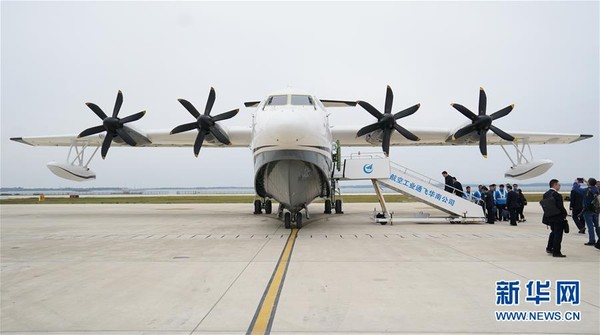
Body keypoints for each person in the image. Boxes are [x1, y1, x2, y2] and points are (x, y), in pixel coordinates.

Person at [542, 179, 568, 257]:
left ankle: (549, 248)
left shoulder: (546, 194)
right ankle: (556, 252)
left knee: (553, 232)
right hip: (558, 217)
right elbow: (560, 207)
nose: (559, 187)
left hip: (550, 217)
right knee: (558, 234)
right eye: (558, 185)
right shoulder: (557, 195)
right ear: (554, 185)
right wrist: (564, 214)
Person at [579, 178, 599, 246]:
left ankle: (592, 240)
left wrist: (576, 183)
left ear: (589, 183)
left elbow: (577, 190)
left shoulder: (587, 190)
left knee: (590, 226)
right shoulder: (596, 189)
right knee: (597, 226)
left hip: (588, 210)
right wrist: (587, 182)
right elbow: (592, 185)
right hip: (595, 209)